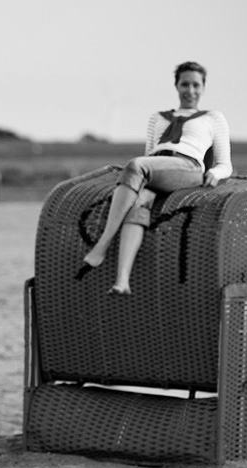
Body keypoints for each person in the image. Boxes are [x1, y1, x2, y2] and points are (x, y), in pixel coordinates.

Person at [82, 61, 232, 295]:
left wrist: (214, 173)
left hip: (188, 167)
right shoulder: (157, 118)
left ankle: (103, 244)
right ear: (176, 86)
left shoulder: (213, 118)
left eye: (195, 85)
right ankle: (122, 281)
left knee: (135, 166)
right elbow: (150, 154)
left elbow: (225, 164)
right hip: (157, 169)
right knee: (138, 203)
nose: (190, 90)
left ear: (203, 87)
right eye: (185, 84)